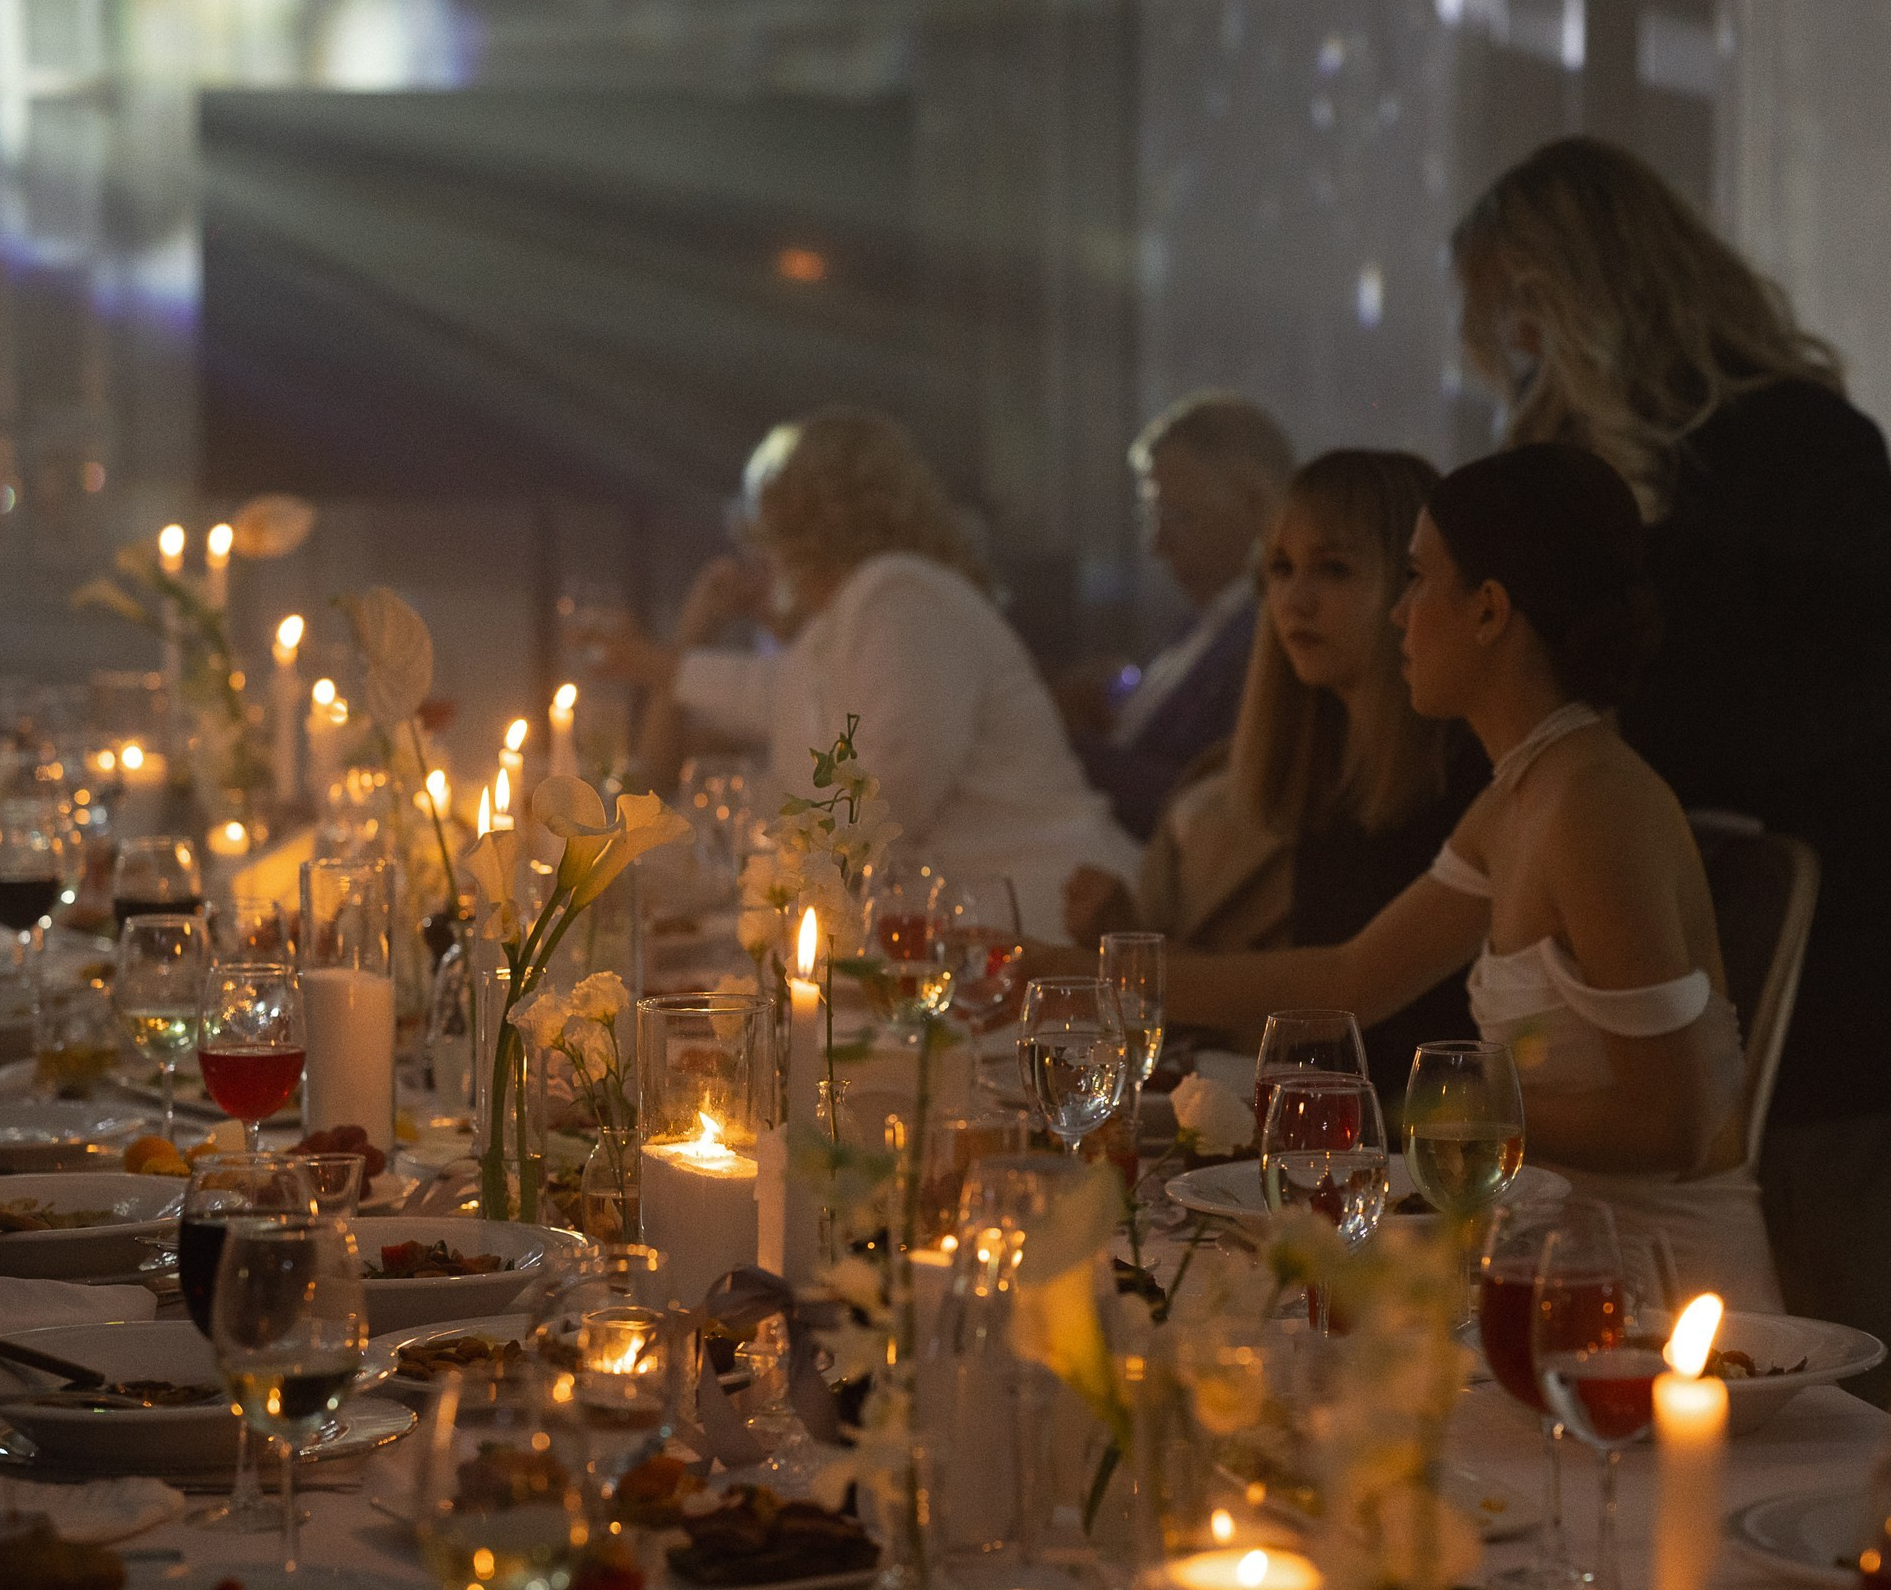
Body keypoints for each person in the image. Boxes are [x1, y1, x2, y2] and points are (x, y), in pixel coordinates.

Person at [1452, 135, 1891, 1352]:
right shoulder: (1585, 468)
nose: (1511, 352)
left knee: (1828, 1317)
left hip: (1838, 942)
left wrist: (1645, 762)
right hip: (1689, 927)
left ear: (1566, 292)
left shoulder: (1794, 436)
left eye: (1514, 315)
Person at [1138, 442, 1782, 1310]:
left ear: (1487, 612)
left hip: (1659, 1307)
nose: (1400, 615)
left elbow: (1671, 1121)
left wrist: (1427, 1114)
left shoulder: (1594, 804)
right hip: (1540, 1275)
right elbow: (1348, 978)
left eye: (1415, 580)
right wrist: (1090, 972)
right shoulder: (1517, 798)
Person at [576, 407, 1137, 941]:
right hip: (977, 920)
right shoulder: (849, 612)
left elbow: (886, 798)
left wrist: (747, 883)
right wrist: (665, 655)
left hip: (1048, 918)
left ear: (795, 515)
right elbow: (778, 697)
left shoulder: (901, 594)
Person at [1065, 450, 1484, 1094]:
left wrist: (1096, 969)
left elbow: (1342, 989)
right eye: (1280, 570)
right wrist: (1123, 938)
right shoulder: (1328, 763)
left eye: (1335, 570)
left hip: (1428, 1158)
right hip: (1325, 1142)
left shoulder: (1464, 772)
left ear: (1415, 585)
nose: (1297, 599)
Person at [1059, 392, 1292, 839]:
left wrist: (1062, 742)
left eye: (1179, 516)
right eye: (1151, 515)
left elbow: (1207, 806)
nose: (1156, 546)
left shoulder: (1271, 637)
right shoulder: (1203, 624)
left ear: (1258, 503)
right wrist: (1116, 694)